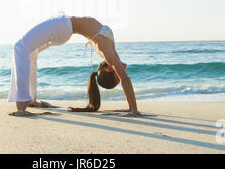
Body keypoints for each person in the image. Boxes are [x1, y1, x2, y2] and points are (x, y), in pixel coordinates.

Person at [8, 14, 139, 116]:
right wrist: (131, 107)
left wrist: (134, 110)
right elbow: (122, 70)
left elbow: (125, 80)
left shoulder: (107, 53)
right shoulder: (112, 54)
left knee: (20, 47)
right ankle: (31, 100)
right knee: (31, 52)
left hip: (62, 26)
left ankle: (22, 102)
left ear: (110, 69)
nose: (121, 70)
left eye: (116, 74)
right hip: (64, 27)